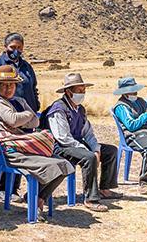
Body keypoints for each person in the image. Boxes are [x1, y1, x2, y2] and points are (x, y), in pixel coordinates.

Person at [0, 65, 75, 216]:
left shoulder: (19, 101)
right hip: (14, 151)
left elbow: (35, 122)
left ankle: (38, 197)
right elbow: (14, 120)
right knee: (52, 165)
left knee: (65, 165)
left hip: (27, 147)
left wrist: (25, 118)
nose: (8, 89)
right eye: (4, 85)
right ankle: (37, 201)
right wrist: (28, 114)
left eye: (11, 85)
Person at [47, 72, 120, 208]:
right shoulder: (58, 109)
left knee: (110, 151)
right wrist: (87, 150)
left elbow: (88, 133)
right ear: (69, 92)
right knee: (89, 157)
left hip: (77, 143)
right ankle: (91, 198)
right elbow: (62, 137)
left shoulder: (80, 109)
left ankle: (105, 189)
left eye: (84, 90)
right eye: (79, 91)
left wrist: (96, 149)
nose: (83, 94)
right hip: (61, 146)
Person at [0, 32, 40, 113]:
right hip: (8, 114)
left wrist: (36, 105)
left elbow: (33, 87)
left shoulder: (26, 66)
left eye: (19, 47)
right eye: (12, 47)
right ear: (5, 47)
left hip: (29, 113)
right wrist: (0, 108)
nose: (16, 51)